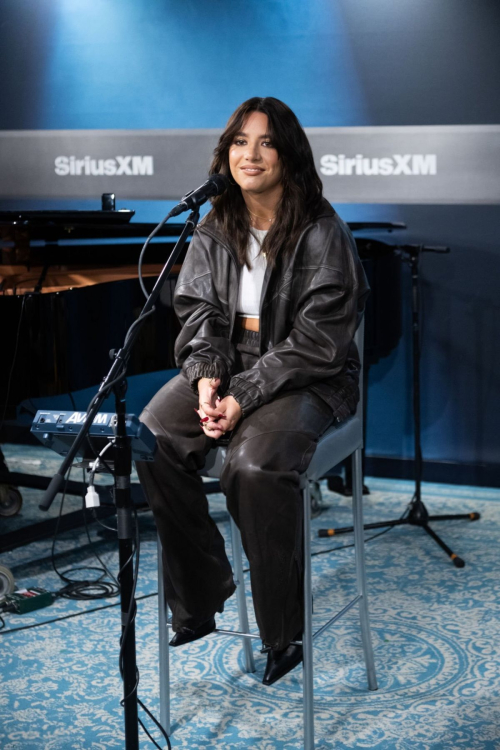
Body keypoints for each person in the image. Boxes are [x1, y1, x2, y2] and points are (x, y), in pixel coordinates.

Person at [136, 96, 369, 686]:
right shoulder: (215, 223)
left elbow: (318, 342)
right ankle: (202, 593)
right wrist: (210, 376)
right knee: (155, 434)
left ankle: (282, 630)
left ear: (288, 154)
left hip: (312, 377)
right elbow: (198, 313)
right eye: (240, 142)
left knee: (255, 466)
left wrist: (243, 394)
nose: (251, 154)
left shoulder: (322, 230)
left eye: (265, 142)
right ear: (226, 153)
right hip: (234, 365)